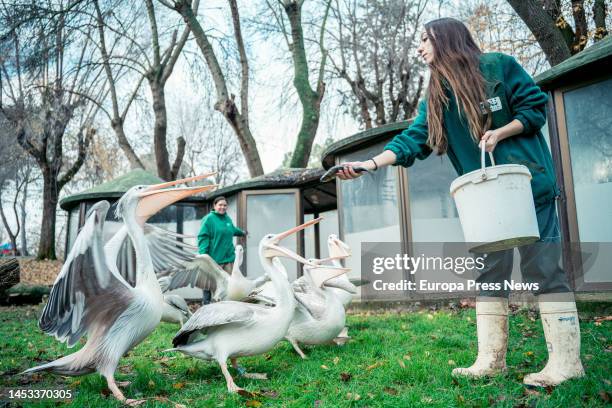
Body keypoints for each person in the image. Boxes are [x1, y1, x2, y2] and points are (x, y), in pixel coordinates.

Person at [334, 18, 583, 387]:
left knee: (543, 269)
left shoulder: (498, 66)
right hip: (484, 199)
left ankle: (567, 363)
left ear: (446, 38)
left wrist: (500, 131)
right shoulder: (436, 95)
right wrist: (370, 164)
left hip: (527, 187)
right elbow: (413, 139)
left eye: (424, 39)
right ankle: (490, 361)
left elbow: (534, 108)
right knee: (489, 272)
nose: (419, 48)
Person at [197, 196, 246, 303]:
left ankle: (226, 311)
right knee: (210, 288)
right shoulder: (209, 219)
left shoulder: (227, 219)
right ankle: (206, 312)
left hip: (229, 260)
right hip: (214, 261)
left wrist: (242, 232)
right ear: (214, 206)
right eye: (220, 205)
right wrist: (203, 256)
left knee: (229, 289)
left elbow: (232, 229)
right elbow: (203, 236)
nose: (222, 207)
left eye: (225, 205)